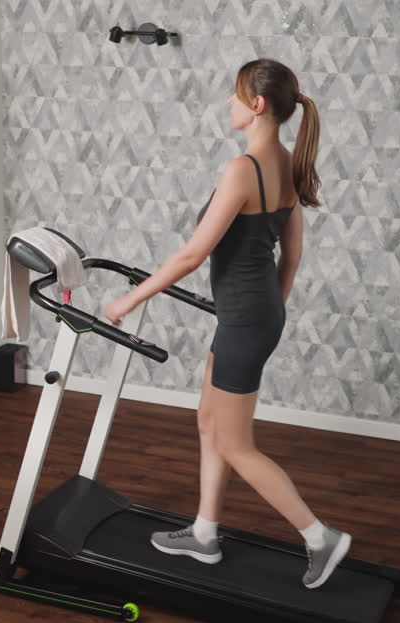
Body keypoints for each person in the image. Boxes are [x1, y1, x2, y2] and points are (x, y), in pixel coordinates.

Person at [103, 58, 351, 589]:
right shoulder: (286, 162)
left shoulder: (243, 170)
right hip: (253, 315)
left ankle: (319, 537)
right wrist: (271, 311)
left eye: (235, 95)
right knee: (209, 423)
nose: (228, 103)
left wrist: (129, 301)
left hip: (244, 321)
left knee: (236, 443)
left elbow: (193, 255)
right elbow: (294, 254)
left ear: (257, 105)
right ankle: (205, 533)